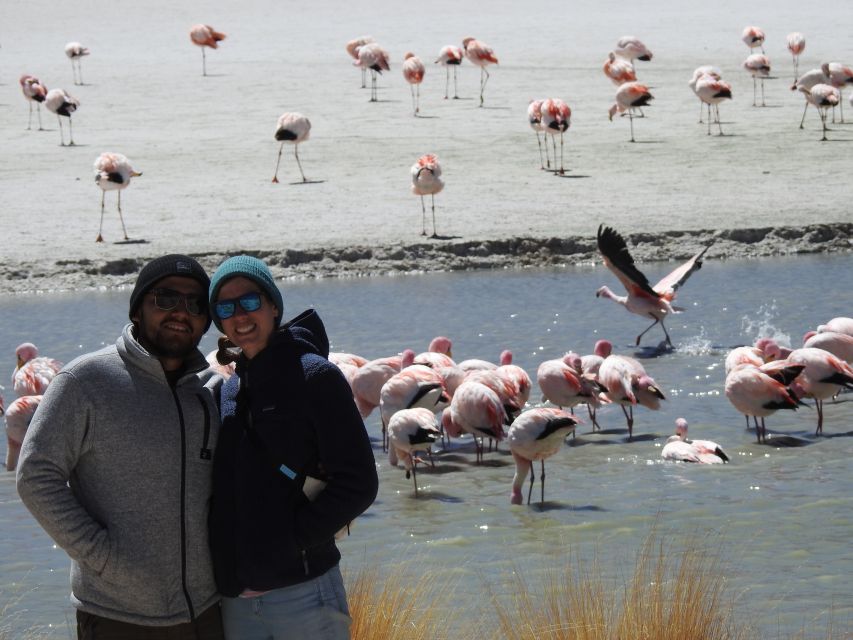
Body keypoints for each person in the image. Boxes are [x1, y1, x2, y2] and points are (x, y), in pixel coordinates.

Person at [16, 254, 225, 639]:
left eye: (195, 304)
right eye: (165, 299)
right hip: (117, 616)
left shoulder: (209, 391)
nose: (181, 312)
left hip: (206, 612)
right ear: (137, 309)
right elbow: (34, 475)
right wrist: (103, 558)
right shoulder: (85, 381)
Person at [207, 255, 378, 639]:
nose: (240, 314)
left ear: (272, 305)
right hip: (238, 601)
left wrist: (294, 540)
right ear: (218, 320)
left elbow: (359, 483)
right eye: (226, 306)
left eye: (250, 301)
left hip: (303, 593)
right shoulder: (231, 389)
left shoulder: (316, 377)